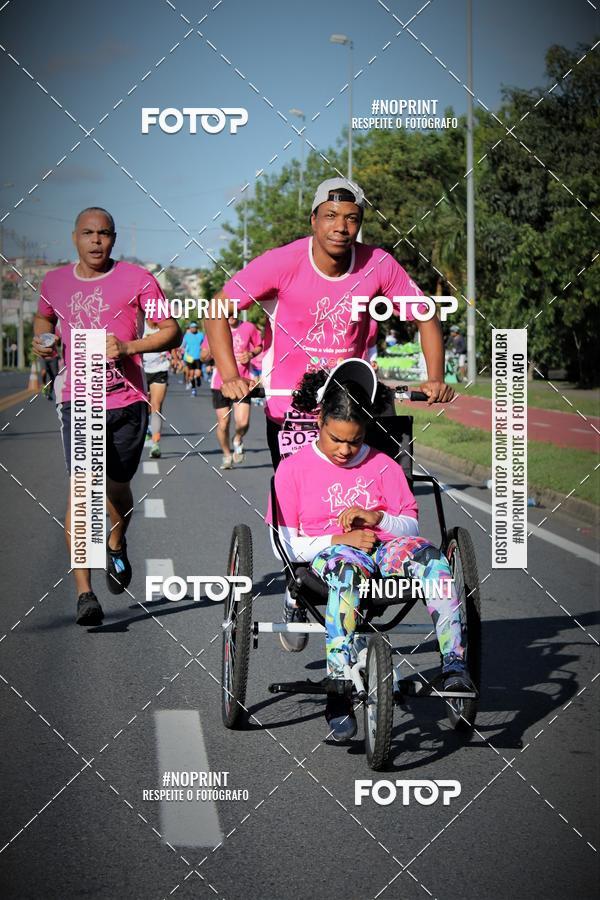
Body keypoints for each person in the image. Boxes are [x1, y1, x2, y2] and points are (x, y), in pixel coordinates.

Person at [268, 359, 474, 741]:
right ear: (320, 424)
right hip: (332, 555)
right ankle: (339, 689)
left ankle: (455, 664)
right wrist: (338, 540)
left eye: (355, 440)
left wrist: (376, 517)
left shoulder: (384, 465)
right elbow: (285, 543)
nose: (346, 450)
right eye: (336, 439)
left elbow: (410, 524)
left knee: (432, 559)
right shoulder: (293, 470)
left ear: (366, 432)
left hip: (385, 549)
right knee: (346, 574)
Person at [203, 177, 454, 472]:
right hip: (292, 410)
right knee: (300, 506)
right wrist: (231, 375)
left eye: (351, 219)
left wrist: (436, 377)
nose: (340, 227)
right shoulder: (282, 262)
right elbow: (216, 310)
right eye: (331, 216)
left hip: (351, 409)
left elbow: (426, 313)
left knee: (366, 499)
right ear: (313, 219)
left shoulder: (378, 263)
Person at [33, 207, 181, 626]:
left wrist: (129, 348)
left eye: (104, 234)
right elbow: (45, 317)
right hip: (78, 400)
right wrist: (43, 340)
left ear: (114, 239)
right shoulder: (54, 281)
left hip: (127, 402)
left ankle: (117, 540)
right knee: (82, 495)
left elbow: (171, 330)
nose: (96, 240)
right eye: (88, 233)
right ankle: (85, 593)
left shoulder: (137, 279)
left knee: (116, 490)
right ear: (74, 237)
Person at [200, 314, 262, 469]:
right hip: (220, 384)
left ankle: (238, 439)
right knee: (223, 423)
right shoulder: (215, 328)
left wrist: (250, 354)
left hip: (242, 381)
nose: (232, 315)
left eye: (234, 311)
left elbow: (259, 345)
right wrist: (207, 355)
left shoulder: (249, 327)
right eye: (228, 312)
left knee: (243, 422)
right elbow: (203, 355)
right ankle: (227, 455)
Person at [143, 320, 171, 458]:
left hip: (160, 369)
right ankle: (147, 429)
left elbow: (174, 339)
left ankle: (155, 444)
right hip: (141, 369)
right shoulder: (139, 323)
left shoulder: (166, 324)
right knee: (143, 406)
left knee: (156, 405)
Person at [181, 321, 204, 396]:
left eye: (195, 327)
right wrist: (181, 351)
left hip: (198, 357)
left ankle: (198, 379)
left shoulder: (201, 335)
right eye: (192, 327)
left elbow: (204, 345)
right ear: (190, 328)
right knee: (191, 374)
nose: (193, 329)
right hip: (189, 358)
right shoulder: (187, 336)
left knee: (197, 374)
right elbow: (183, 345)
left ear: (197, 328)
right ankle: (193, 390)